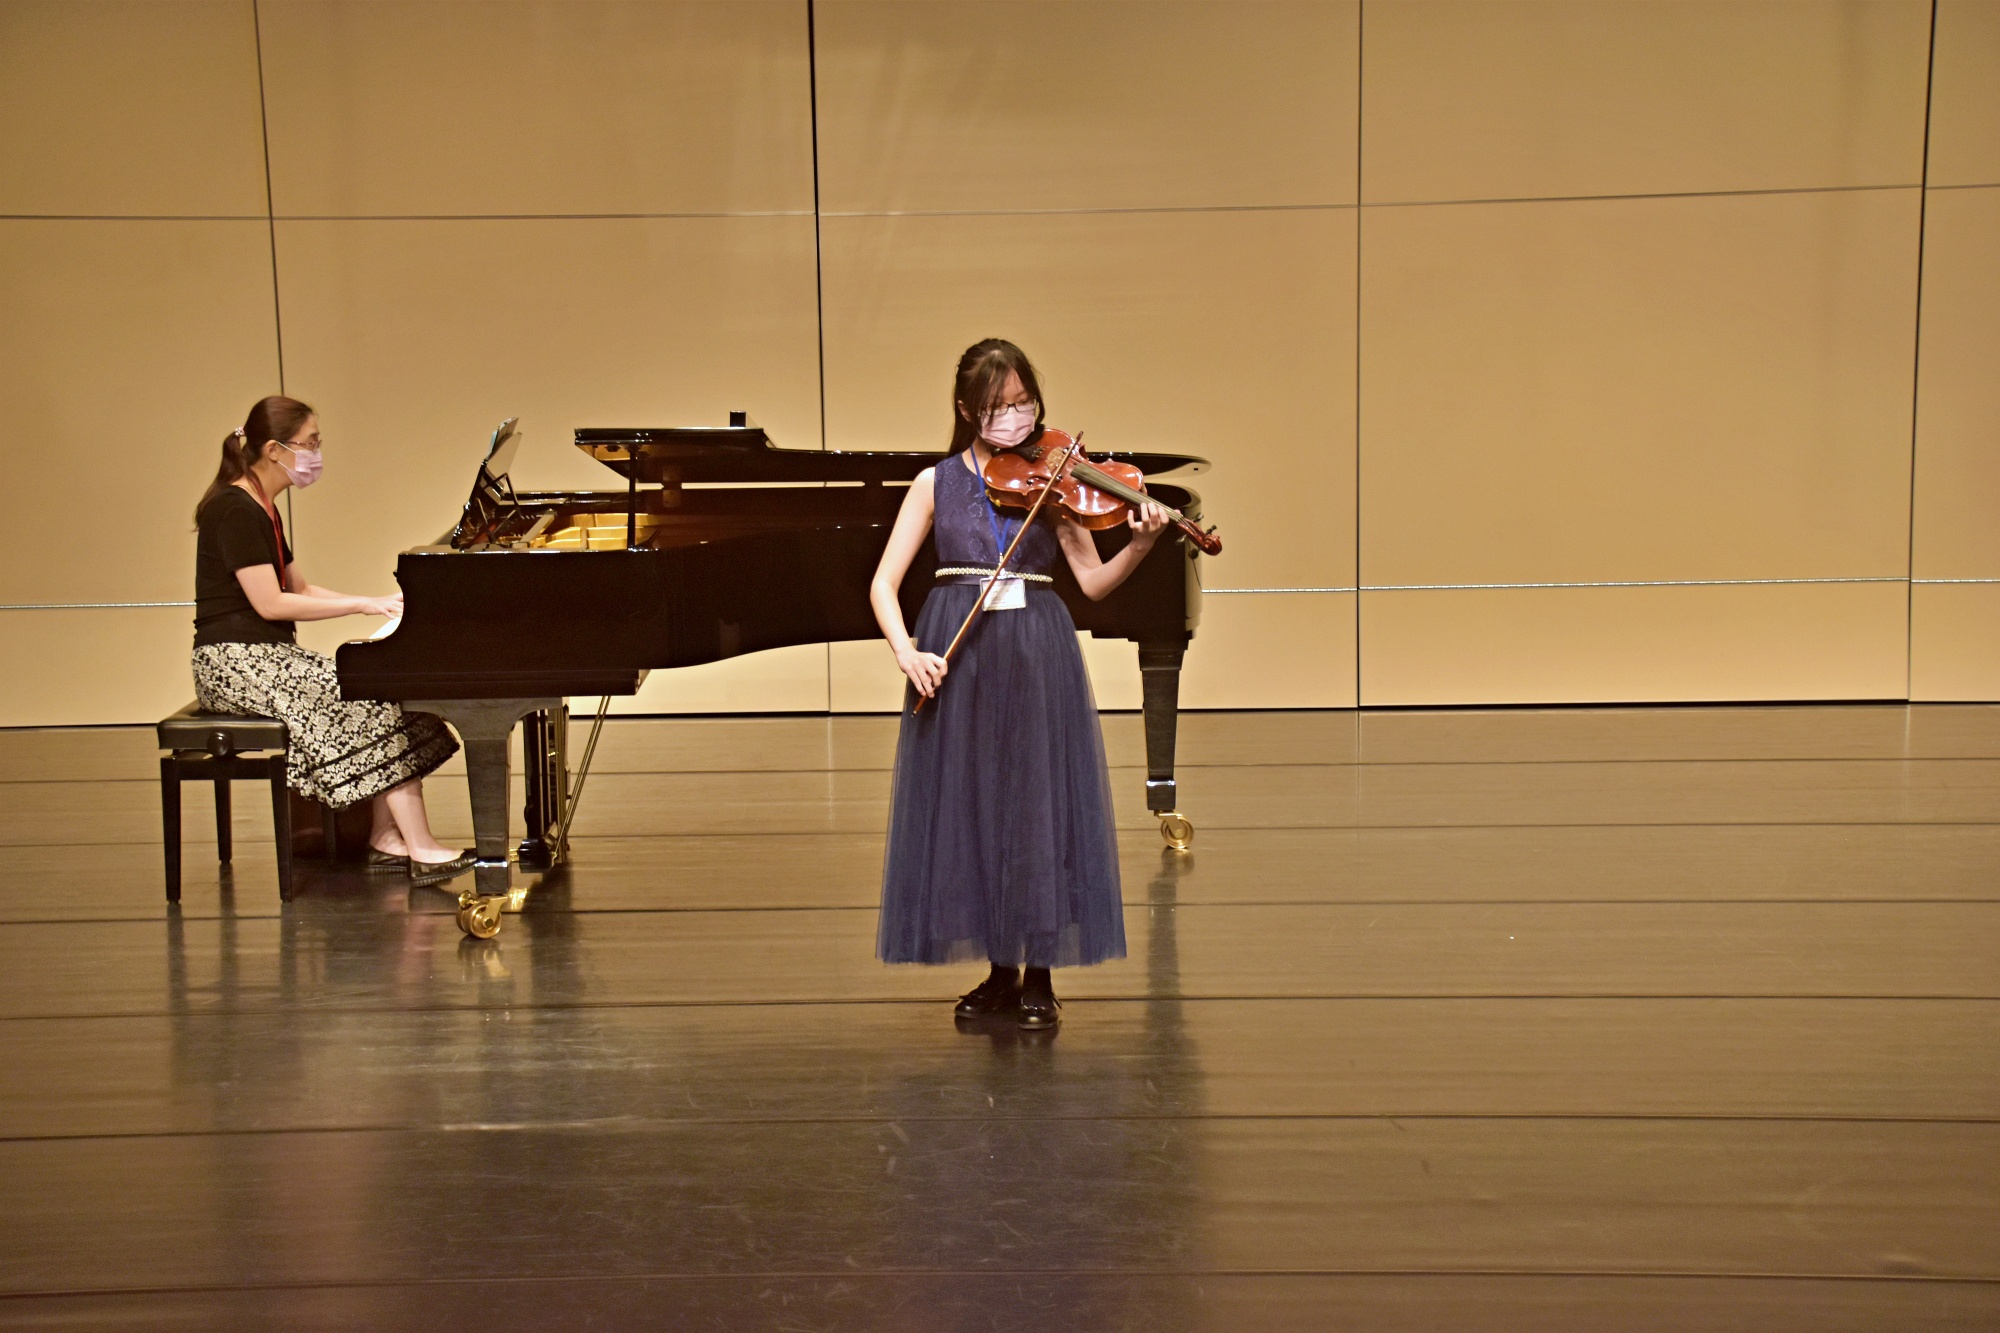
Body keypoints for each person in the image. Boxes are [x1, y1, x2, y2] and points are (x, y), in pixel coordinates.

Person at [870, 340, 1170, 1030]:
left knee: (1036, 806)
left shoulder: (1053, 481)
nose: (1014, 416)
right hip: (963, 652)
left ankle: (1040, 975)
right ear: (965, 409)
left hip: (1036, 648)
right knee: (976, 807)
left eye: (1023, 402)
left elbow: (1092, 581)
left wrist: (1142, 543)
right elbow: (883, 583)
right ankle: (1000, 971)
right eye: (997, 406)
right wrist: (907, 652)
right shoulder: (934, 482)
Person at [191, 395, 471, 882]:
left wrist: (377, 601)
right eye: (310, 443)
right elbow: (271, 604)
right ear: (274, 450)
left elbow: (299, 589)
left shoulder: (263, 508)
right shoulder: (233, 509)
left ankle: (386, 838)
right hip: (230, 662)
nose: (316, 454)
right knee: (363, 693)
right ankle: (420, 847)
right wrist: (361, 605)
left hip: (264, 655)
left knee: (381, 688)